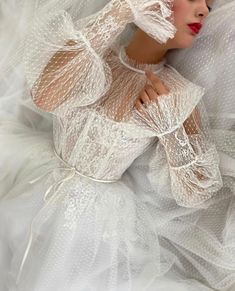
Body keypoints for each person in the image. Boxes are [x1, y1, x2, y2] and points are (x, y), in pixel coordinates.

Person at [0, 0, 228, 290]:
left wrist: (173, 133)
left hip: (92, 222)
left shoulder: (176, 93)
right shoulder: (92, 54)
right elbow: (46, 96)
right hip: (34, 180)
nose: (205, 10)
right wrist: (117, 12)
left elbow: (197, 193)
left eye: (209, 4)